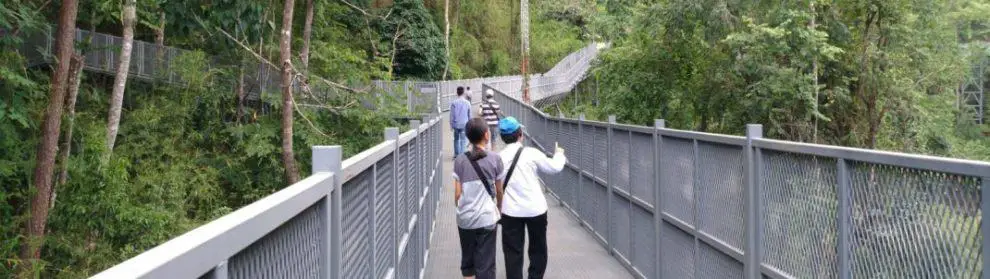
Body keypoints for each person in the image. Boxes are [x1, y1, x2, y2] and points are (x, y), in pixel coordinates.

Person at [497, 116, 566, 279]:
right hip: (536, 209)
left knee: (512, 251)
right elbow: (554, 168)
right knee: (538, 248)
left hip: (510, 211)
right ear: (520, 134)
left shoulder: (498, 158)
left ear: (502, 137)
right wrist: (559, 155)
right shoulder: (531, 153)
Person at [453, 118, 505, 279]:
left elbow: (457, 194)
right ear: (486, 135)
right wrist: (499, 208)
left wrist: (461, 208)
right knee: (486, 265)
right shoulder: (495, 159)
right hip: (486, 218)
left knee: (468, 264)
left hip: (465, 219)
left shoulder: (460, 160)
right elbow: (499, 191)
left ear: (468, 136)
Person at [450, 86, 471, 157]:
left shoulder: (454, 103)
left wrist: (451, 124)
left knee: (456, 139)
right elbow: (469, 115)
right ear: (464, 92)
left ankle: (456, 154)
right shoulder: (467, 103)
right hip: (464, 124)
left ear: (457, 93)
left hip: (456, 124)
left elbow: (451, 115)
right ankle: (462, 155)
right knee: (463, 140)